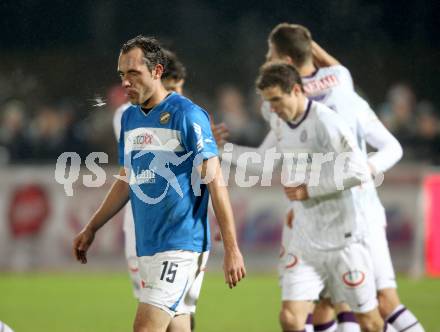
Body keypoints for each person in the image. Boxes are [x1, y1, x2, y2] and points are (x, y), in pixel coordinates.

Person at [73, 35, 245, 332]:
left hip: (181, 245)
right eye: (122, 75)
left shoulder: (187, 115)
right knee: (176, 328)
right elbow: (128, 179)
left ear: (156, 71)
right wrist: (92, 227)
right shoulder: (129, 119)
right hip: (148, 245)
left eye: (133, 73)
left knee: (145, 328)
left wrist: (232, 248)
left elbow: (216, 183)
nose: (125, 82)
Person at [266, 23, 424, 332]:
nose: (265, 60)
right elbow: (335, 69)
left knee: (379, 305)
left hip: (357, 217)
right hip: (326, 218)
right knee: (332, 303)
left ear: (285, 63)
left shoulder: (296, 103)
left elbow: (392, 148)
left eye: (269, 54)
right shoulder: (341, 83)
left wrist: (362, 172)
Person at [255, 62, 383, 331]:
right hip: (305, 241)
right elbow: (261, 163)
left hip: (344, 241)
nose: (273, 108)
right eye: (269, 102)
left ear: (298, 90)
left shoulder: (326, 120)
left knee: (369, 322)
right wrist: (216, 148)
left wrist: (309, 190)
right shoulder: (280, 122)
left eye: (277, 100)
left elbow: (359, 169)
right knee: (290, 318)